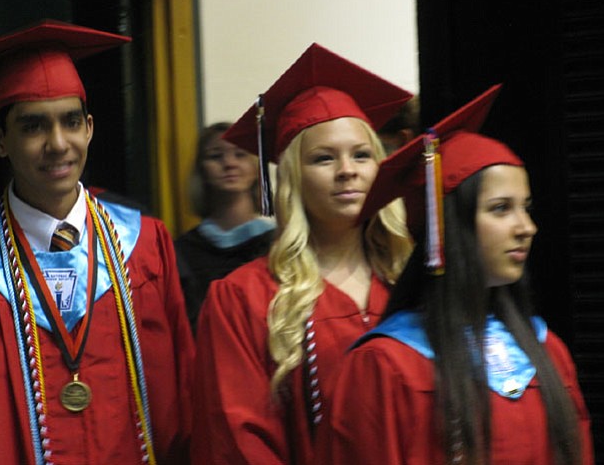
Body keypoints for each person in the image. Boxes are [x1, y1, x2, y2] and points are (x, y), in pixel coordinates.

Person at [0, 20, 194, 464]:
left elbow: (184, 399)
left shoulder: (145, 245)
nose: (58, 144)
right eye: (34, 127)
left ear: (89, 128)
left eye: (70, 122)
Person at [318, 85, 594, 464]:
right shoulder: (385, 366)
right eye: (501, 209)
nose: (526, 227)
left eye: (526, 208)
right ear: (447, 228)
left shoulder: (546, 350)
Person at [190, 43, 415, 464]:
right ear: (292, 178)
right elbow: (238, 443)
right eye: (323, 158)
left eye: (362, 155)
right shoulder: (245, 299)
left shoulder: (411, 282)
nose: (347, 169)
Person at [175, 121, 275, 334]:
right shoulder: (182, 252)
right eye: (215, 156)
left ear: (256, 166)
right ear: (201, 169)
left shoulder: (277, 243)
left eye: (240, 154)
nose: (229, 163)